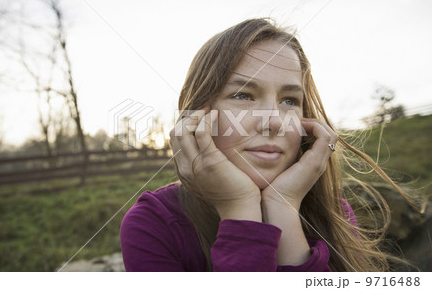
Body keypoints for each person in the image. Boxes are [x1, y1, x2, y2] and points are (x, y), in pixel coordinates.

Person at [120, 18, 407, 271]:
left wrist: (284, 209)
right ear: (196, 116)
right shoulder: (153, 225)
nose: (274, 122)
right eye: (244, 96)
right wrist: (239, 209)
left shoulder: (334, 212)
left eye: (289, 101)